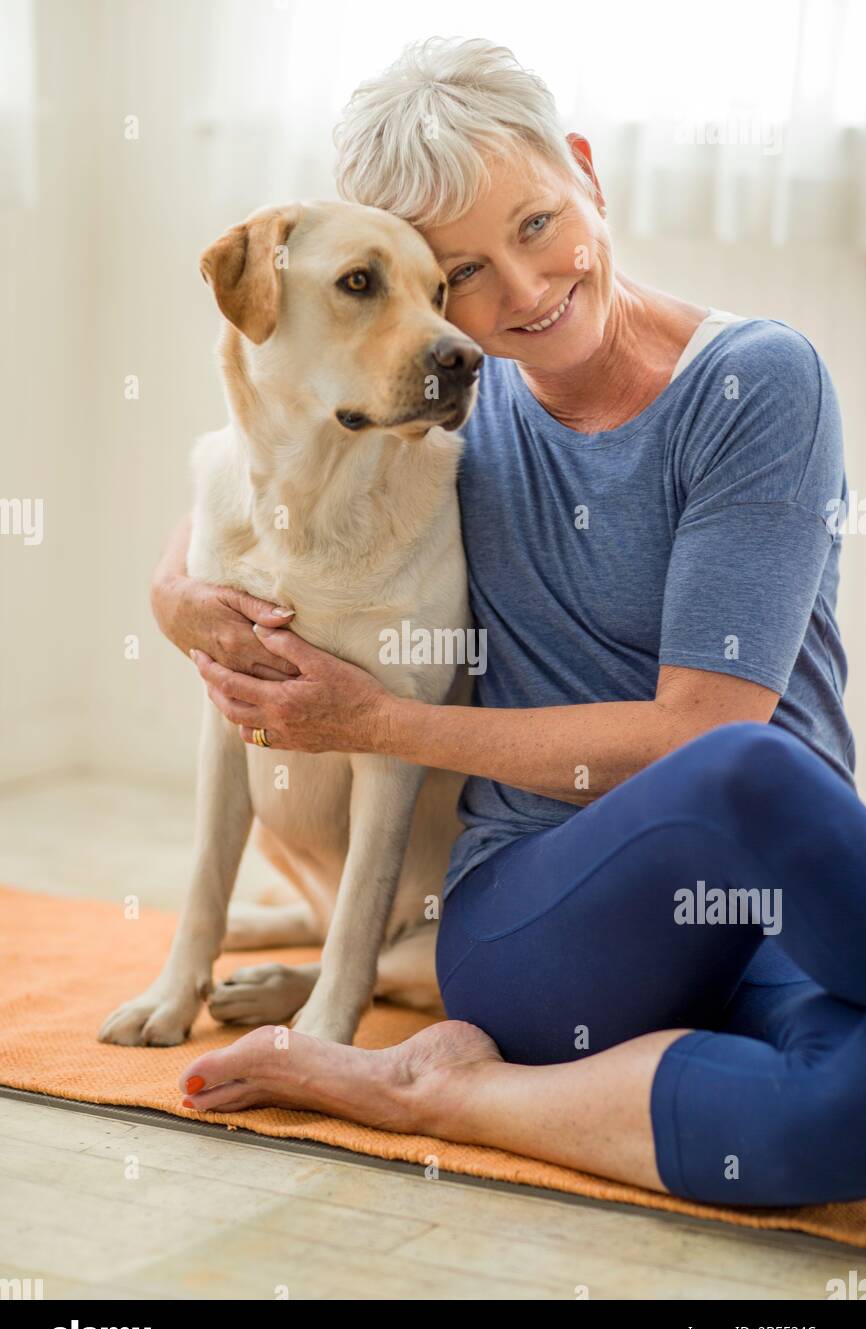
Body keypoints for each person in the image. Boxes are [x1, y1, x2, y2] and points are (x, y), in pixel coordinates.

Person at [161, 38, 866, 1207]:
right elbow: (233, 496)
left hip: (774, 905)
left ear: (586, 172)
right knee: (749, 762)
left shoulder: (756, 384)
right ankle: (437, 1075)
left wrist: (382, 722)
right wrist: (177, 600)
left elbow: (690, 726)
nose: (523, 293)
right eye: (463, 273)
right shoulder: (436, 403)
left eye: (536, 225)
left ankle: (435, 1091)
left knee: (835, 1120)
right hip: (536, 918)